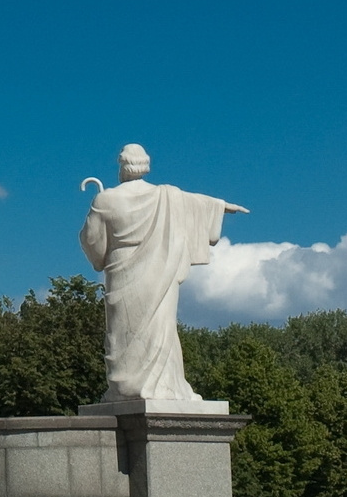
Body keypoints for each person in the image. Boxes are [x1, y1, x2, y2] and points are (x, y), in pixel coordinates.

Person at [79, 143, 247, 402]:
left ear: (122, 166)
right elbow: (196, 203)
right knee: (160, 327)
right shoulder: (167, 196)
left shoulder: (106, 200)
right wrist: (221, 206)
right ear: (145, 165)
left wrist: (100, 250)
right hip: (160, 268)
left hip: (123, 271)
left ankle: (131, 388)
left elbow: (92, 242)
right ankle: (164, 386)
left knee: (126, 333)